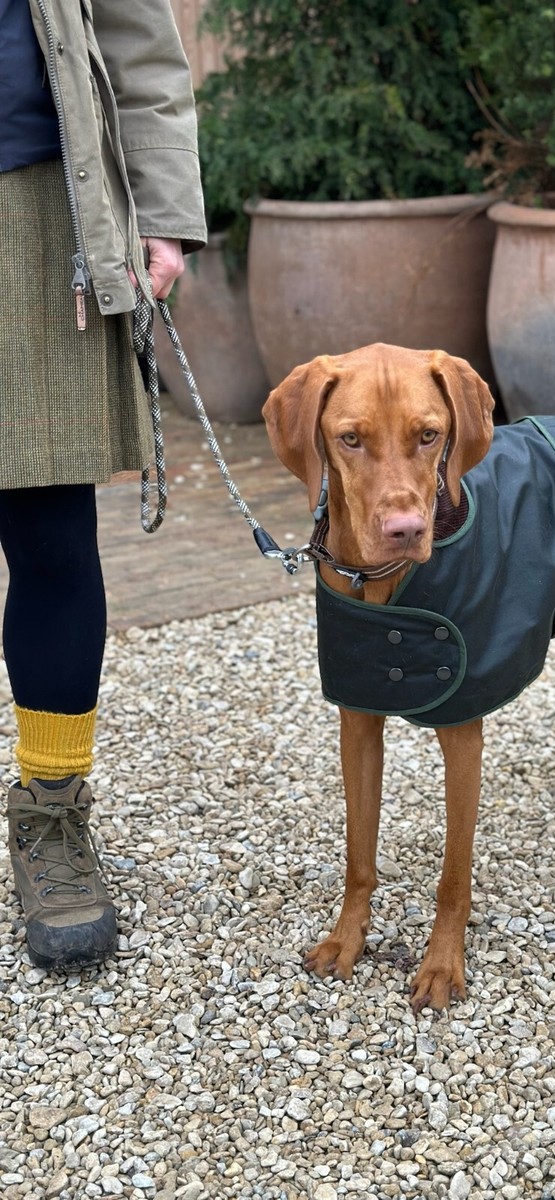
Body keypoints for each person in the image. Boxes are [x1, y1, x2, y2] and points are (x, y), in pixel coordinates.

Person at [1, 0, 206, 970]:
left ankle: (51, 819)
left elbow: (142, 50)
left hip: (40, 217)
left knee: (49, 543)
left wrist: (162, 217)